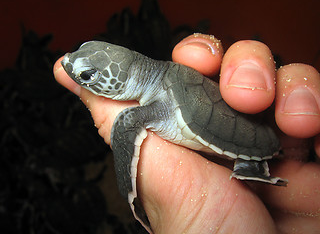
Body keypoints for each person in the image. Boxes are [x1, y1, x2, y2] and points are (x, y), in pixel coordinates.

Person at [54, 34, 320, 233]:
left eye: (87, 76)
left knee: (125, 124)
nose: (69, 63)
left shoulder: (133, 117)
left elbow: (126, 126)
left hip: (255, 142)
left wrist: (136, 206)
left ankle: (253, 164)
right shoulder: (162, 80)